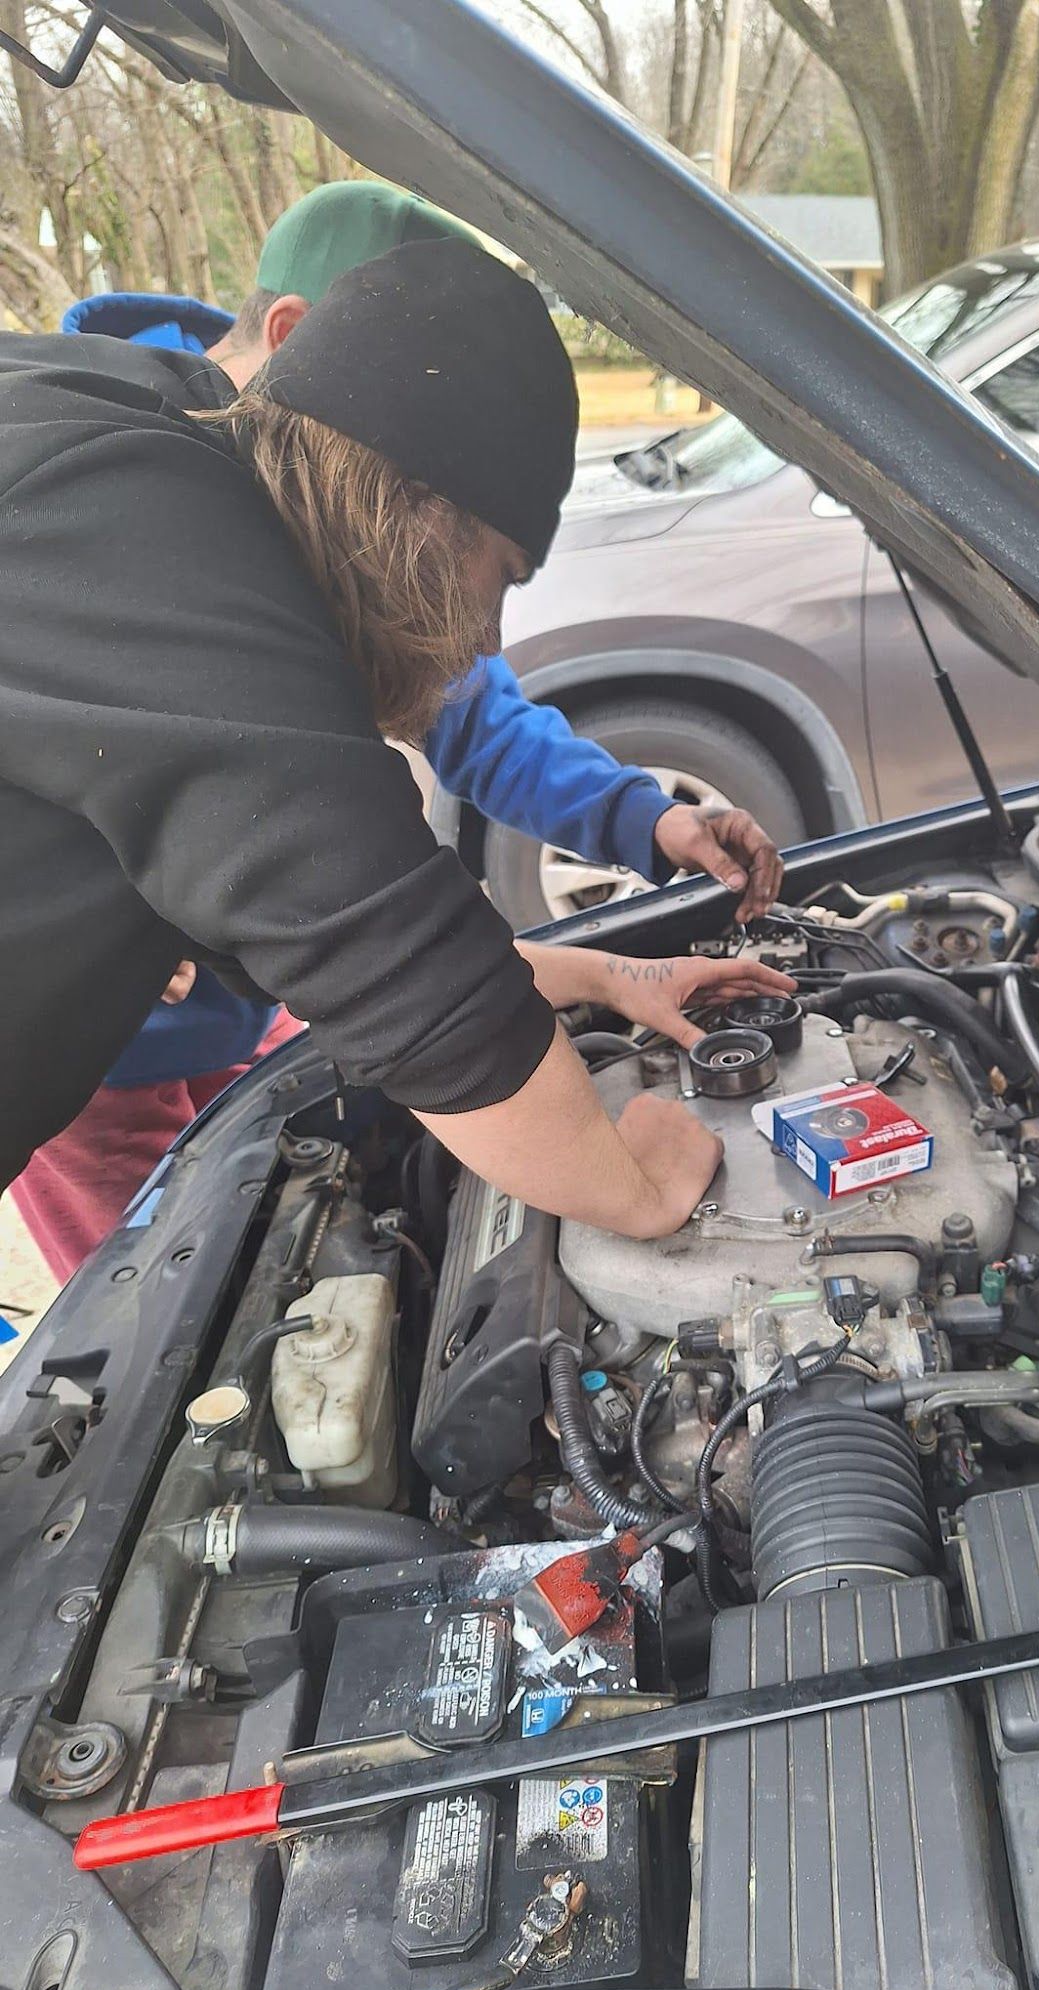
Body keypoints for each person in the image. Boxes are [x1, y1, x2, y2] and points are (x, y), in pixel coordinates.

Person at [11, 182, 783, 1281]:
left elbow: (334, 932)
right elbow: (390, 949)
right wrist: (633, 1182)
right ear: (416, 503)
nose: (485, 632)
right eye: (501, 575)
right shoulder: (155, 537)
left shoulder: (148, 421)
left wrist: (605, 975)